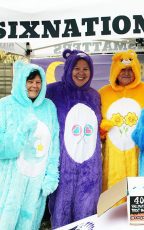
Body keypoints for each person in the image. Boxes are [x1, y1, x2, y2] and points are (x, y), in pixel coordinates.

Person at [45, 49, 102, 228]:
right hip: (63, 166)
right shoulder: (53, 91)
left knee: (86, 214)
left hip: (90, 169)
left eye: (86, 69)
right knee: (61, 212)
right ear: (68, 68)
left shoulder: (95, 95)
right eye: (76, 68)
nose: (81, 73)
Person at [0, 61, 60, 229]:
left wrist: (51, 175)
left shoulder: (48, 107)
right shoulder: (5, 105)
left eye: (38, 82)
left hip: (36, 183)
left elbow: (53, 145)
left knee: (30, 223)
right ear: (21, 81)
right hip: (9, 184)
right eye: (30, 81)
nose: (34, 86)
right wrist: (19, 134)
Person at [99, 50, 144, 191]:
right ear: (115, 71)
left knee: (139, 192)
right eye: (122, 69)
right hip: (113, 156)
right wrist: (101, 130)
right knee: (113, 192)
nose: (126, 73)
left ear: (136, 70)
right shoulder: (103, 93)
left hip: (138, 154)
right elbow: (96, 123)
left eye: (130, 69)